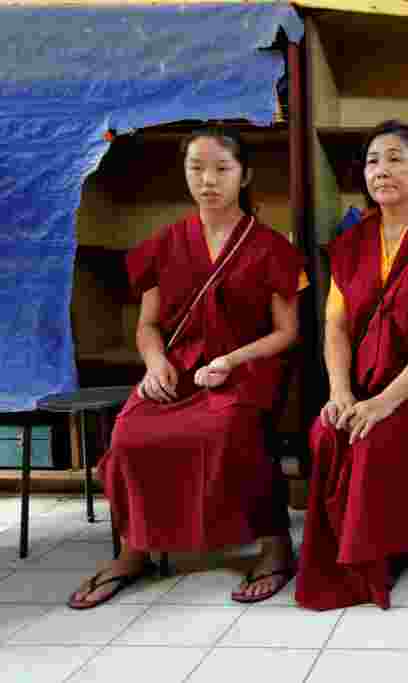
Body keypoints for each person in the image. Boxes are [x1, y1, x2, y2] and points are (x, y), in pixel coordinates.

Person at [68, 126, 307, 609]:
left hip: (246, 368)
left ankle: (275, 546)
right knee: (130, 434)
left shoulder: (271, 247)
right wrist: (154, 364)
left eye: (221, 168)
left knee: (227, 430)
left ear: (245, 176)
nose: (208, 180)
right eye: (196, 168)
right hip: (177, 370)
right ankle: (135, 549)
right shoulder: (165, 243)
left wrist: (230, 360)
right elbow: (149, 325)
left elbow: (287, 333)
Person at [295, 120, 408, 610]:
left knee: (373, 436)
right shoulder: (349, 246)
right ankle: (343, 549)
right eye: (374, 160)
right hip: (362, 383)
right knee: (328, 430)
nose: (383, 169)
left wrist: (383, 403)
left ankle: (379, 551)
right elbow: (335, 326)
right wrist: (340, 392)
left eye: (397, 158)